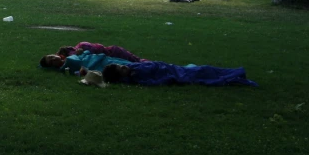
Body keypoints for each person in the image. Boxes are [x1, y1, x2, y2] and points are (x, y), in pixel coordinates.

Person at [102, 62, 258, 87]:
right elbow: (157, 79)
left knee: (205, 69)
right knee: (204, 72)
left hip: (176, 68)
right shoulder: (137, 76)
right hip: (177, 73)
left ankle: (236, 74)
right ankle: (236, 76)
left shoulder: (132, 67)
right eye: (121, 69)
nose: (124, 67)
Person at [40, 50, 134, 73]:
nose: (54, 58)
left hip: (101, 59)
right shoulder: (67, 63)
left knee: (128, 63)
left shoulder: (67, 58)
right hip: (97, 64)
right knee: (129, 66)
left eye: (52, 56)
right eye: (51, 61)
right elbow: (80, 59)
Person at [56, 43, 146, 63]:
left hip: (113, 54)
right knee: (137, 61)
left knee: (136, 62)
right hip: (114, 51)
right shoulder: (79, 47)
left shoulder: (75, 53)